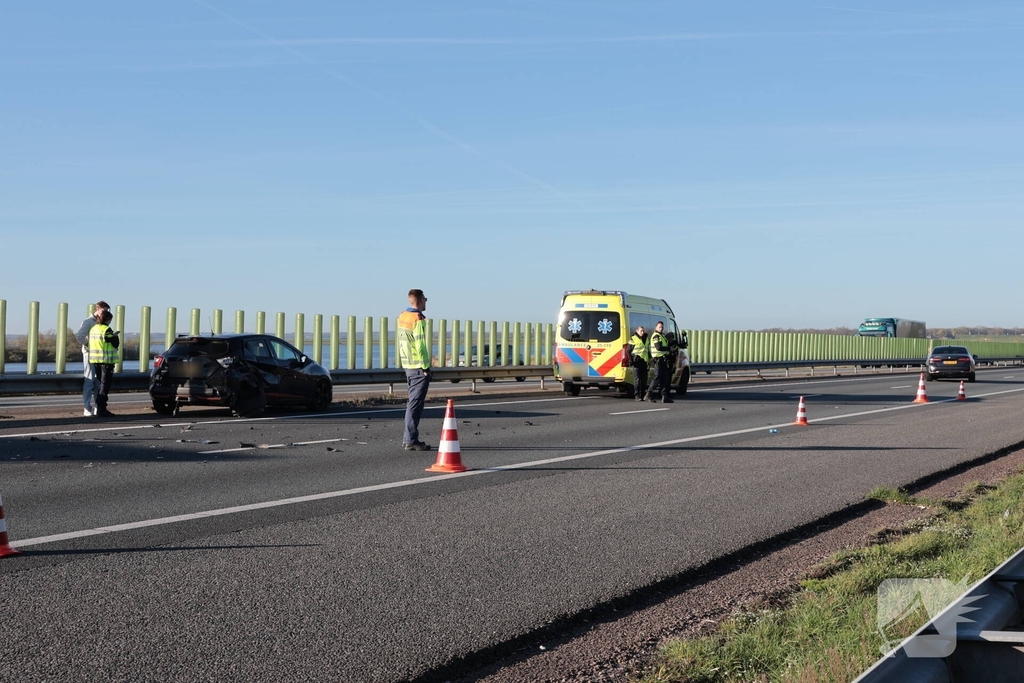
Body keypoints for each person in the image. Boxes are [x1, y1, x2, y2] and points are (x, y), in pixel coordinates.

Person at [397, 289, 432, 451]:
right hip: (418, 366)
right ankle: (411, 439)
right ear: (419, 300)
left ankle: (408, 438)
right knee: (415, 404)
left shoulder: (402, 316)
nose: (426, 301)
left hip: (407, 365)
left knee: (412, 402)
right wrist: (425, 367)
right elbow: (420, 345)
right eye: (425, 299)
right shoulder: (418, 319)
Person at [74, 300, 110, 417]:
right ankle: (86, 407)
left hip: (99, 355)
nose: (105, 313)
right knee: (89, 380)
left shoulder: (101, 323)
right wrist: (90, 344)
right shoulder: (88, 322)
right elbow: (79, 336)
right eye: (104, 310)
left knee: (98, 382)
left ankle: (97, 407)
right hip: (89, 354)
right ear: (98, 309)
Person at [88, 308, 120, 418]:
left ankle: (99, 407)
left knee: (100, 385)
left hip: (95, 361)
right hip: (106, 361)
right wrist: (115, 335)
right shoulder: (106, 329)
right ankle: (101, 409)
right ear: (108, 320)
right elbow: (115, 343)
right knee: (104, 386)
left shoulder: (93, 329)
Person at [646, 320, 674, 403]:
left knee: (665, 378)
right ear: (656, 327)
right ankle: (648, 394)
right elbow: (658, 347)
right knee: (657, 378)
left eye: (662, 327)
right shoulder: (656, 336)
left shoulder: (662, 336)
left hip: (663, 360)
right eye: (659, 327)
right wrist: (669, 349)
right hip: (658, 360)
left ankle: (664, 396)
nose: (661, 328)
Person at [626, 324, 650, 401]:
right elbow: (628, 350)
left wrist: (649, 360)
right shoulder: (633, 339)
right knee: (637, 379)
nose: (642, 332)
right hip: (637, 361)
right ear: (637, 331)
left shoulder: (646, 339)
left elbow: (648, 350)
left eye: (643, 331)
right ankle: (637, 395)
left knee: (644, 379)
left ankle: (643, 394)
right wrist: (631, 360)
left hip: (644, 361)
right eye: (641, 331)